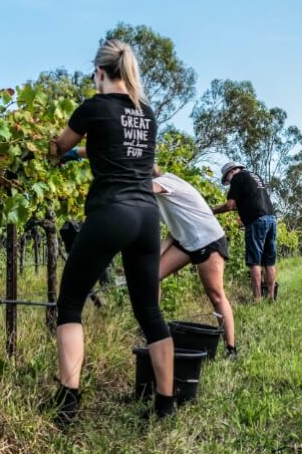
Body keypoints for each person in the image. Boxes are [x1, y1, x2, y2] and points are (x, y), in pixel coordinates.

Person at [46, 38, 175, 425]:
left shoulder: (93, 108)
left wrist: (58, 148)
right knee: (149, 310)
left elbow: (59, 147)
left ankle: (68, 405)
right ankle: (166, 405)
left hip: (110, 212)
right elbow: (120, 149)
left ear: (100, 72)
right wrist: (82, 151)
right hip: (146, 216)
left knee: (69, 304)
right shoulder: (147, 114)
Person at [152, 165, 238, 356]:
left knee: (215, 295)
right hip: (186, 240)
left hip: (208, 239)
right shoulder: (165, 187)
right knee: (151, 276)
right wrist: (156, 256)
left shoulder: (164, 182)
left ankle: (231, 349)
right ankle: (153, 329)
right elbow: (173, 232)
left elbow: (140, 189)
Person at [212, 162, 279, 301]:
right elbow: (250, 201)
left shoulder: (237, 177)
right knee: (269, 261)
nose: (229, 182)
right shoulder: (255, 176)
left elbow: (230, 205)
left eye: (227, 180)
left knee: (254, 261)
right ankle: (271, 297)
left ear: (231, 172)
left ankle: (257, 299)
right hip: (271, 218)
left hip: (257, 220)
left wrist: (211, 211)